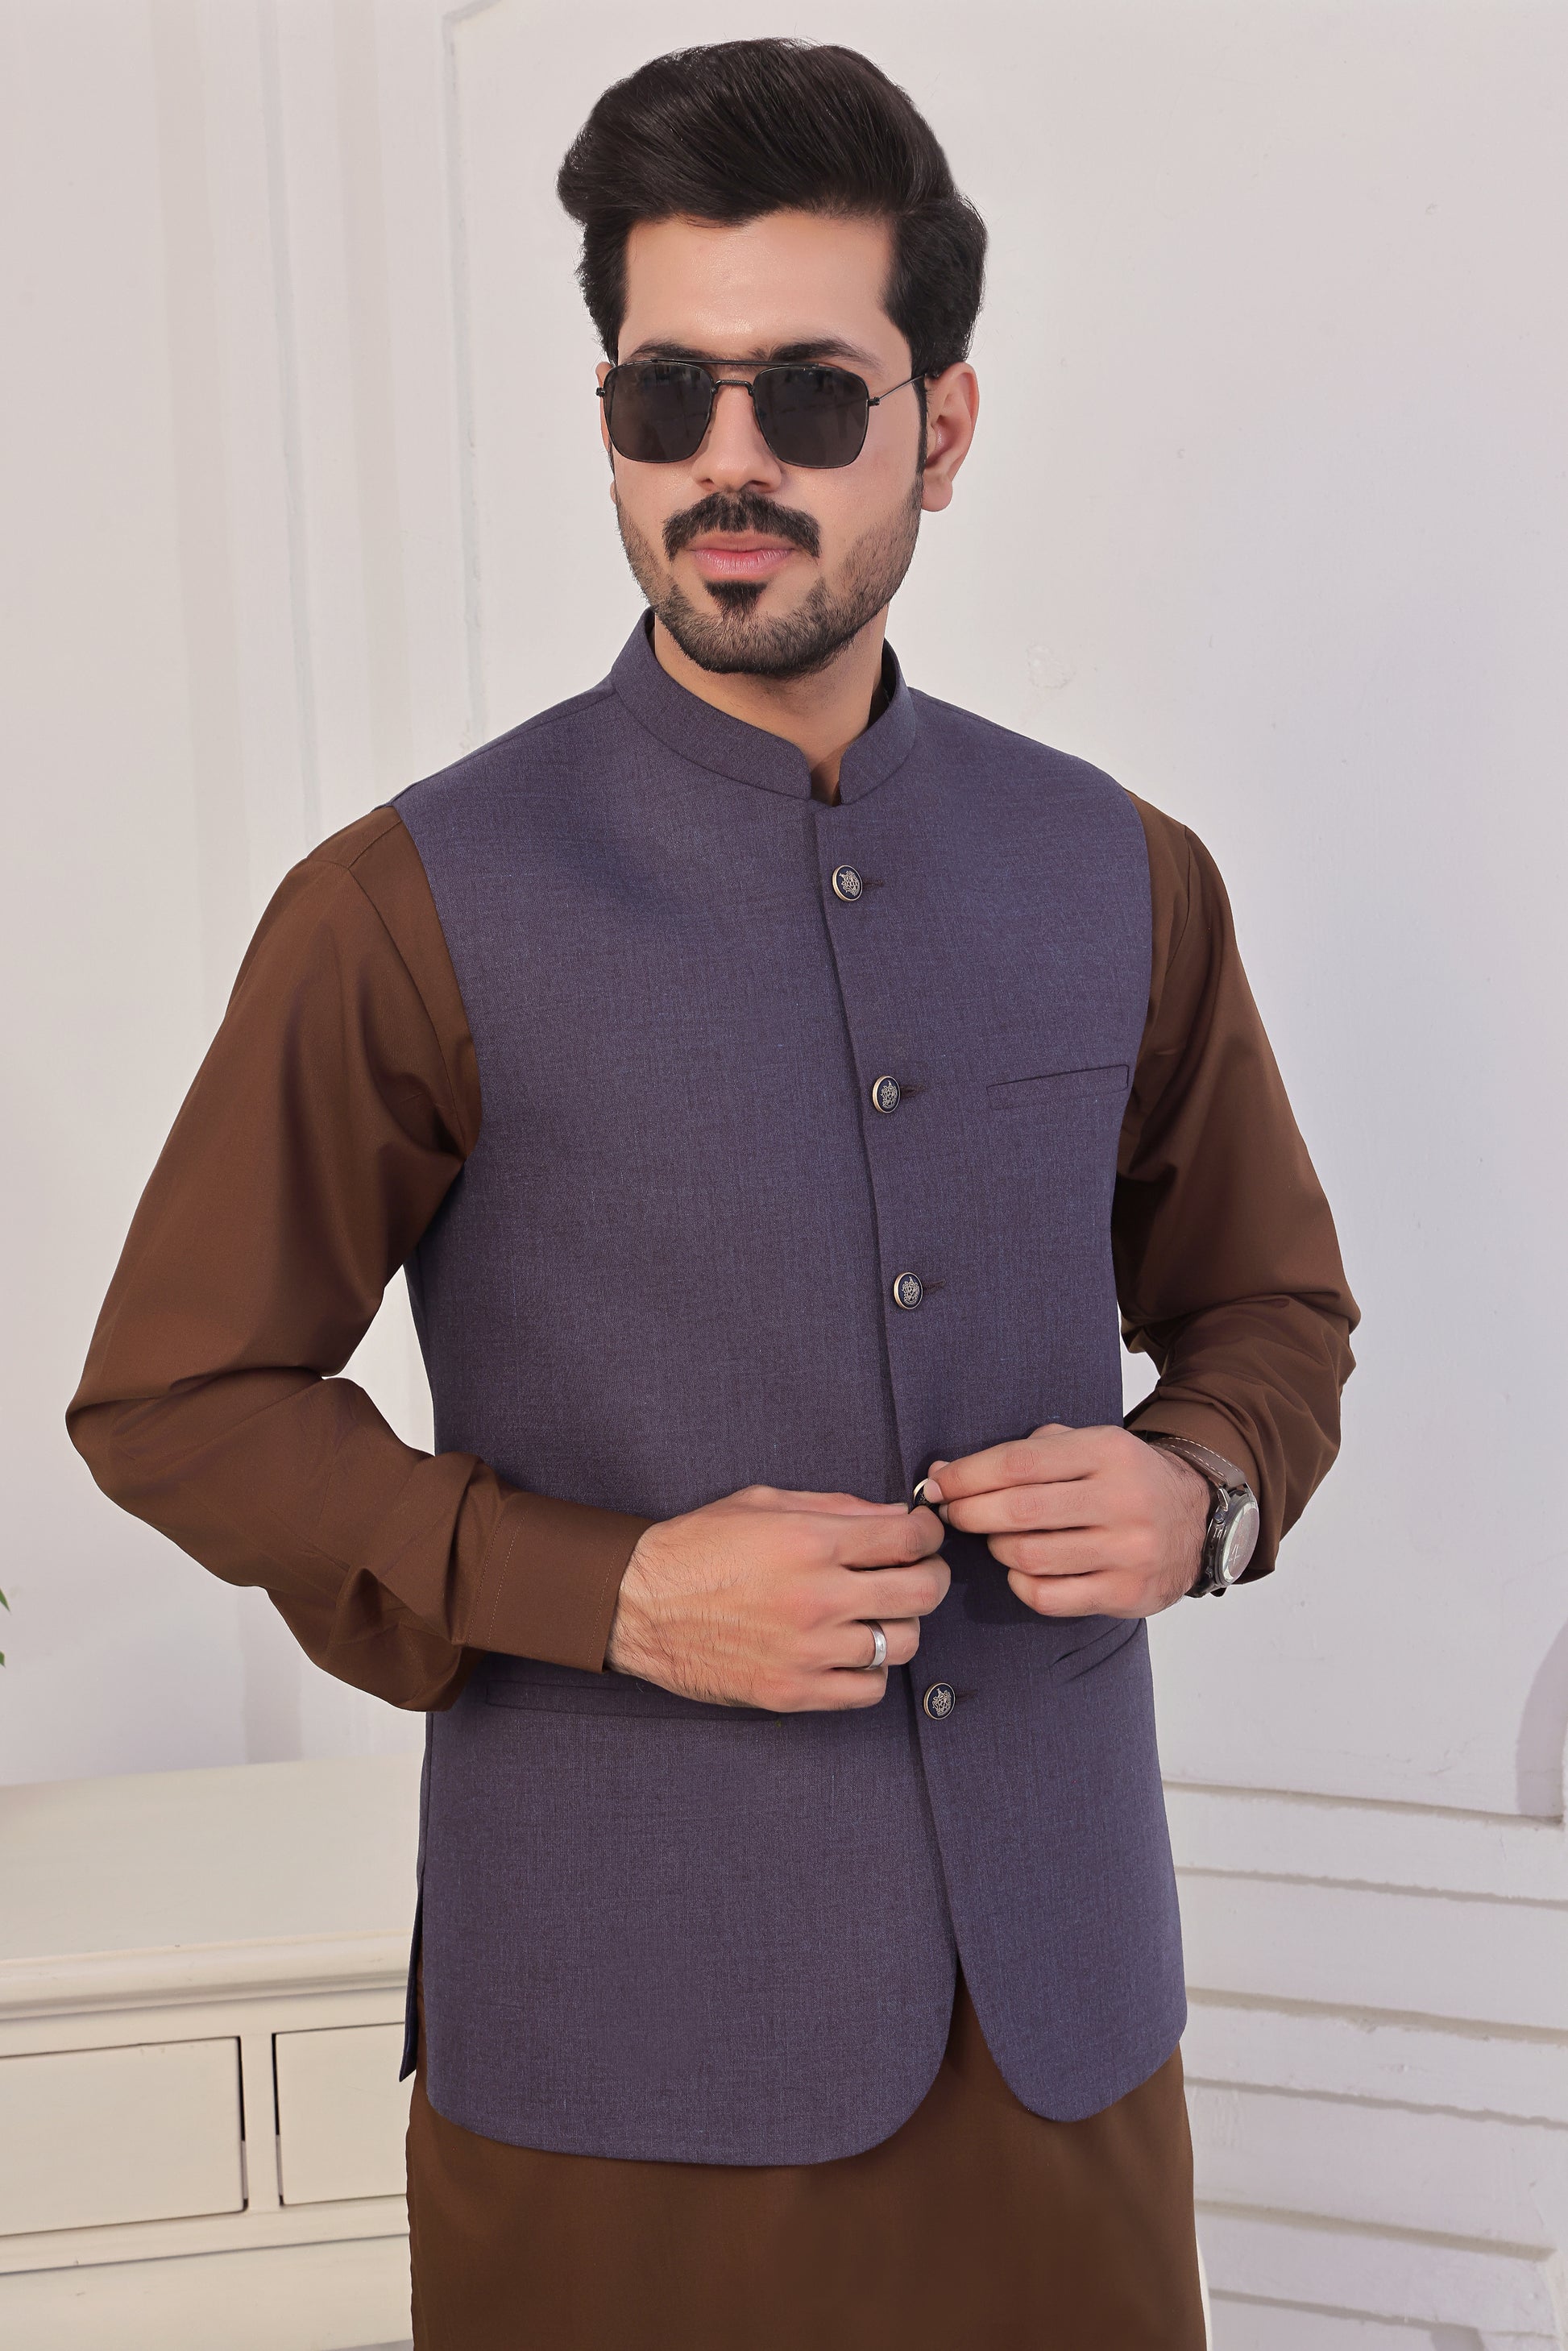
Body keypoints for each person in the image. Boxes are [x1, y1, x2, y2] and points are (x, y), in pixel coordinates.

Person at [65, 36, 1358, 2350]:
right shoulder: (405, 904)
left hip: (1064, 2048)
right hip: (618, 2067)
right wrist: (609, 1588)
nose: (726, 463)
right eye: (666, 396)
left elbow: (1270, 1314)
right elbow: (176, 1399)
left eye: (809, 398)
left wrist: (1203, 1489)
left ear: (940, 429)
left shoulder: (1119, 871)